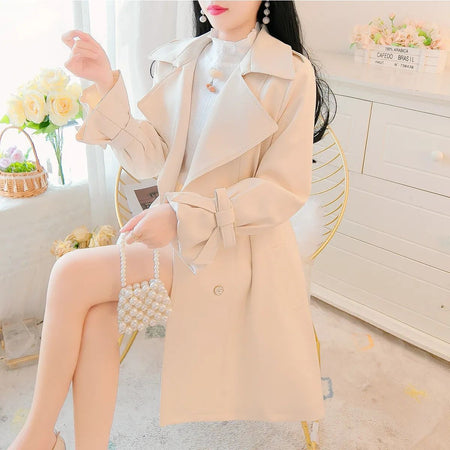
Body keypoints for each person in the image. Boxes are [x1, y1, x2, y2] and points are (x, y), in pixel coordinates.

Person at [8, 1, 334, 448]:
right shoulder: (181, 59)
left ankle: (36, 437)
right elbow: (152, 159)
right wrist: (105, 83)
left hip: (233, 247)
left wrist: (182, 217)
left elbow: (283, 189)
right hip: (174, 236)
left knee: (70, 272)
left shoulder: (290, 73)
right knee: (99, 316)